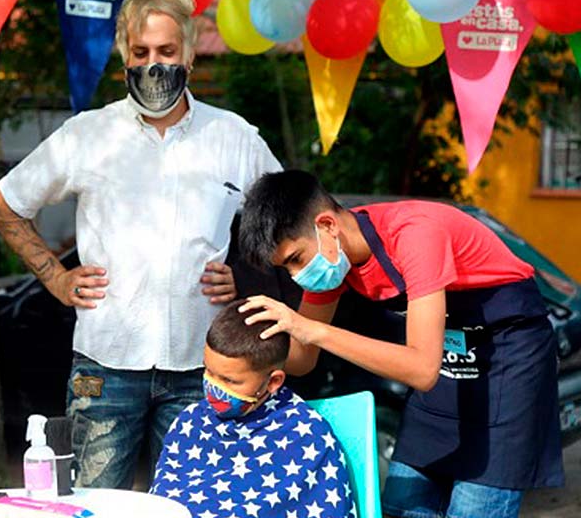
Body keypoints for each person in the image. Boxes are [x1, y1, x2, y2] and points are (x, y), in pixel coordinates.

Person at [0, 0, 282, 488]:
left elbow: (284, 222)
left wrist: (246, 278)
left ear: (189, 55)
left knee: (190, 504)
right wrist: (56, 279)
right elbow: (6, 204)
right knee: (95, 506)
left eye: (166, 50)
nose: (154, 64)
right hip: (106, 366)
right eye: (141, 51)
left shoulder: (234, 137)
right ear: (125, 56)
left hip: (203, 366)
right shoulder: (88, 134)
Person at [237, 170, 563, 518]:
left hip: (506, 359)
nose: (296, 275)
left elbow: (421, 370)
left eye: (296, 259)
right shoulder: (334, 260)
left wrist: (313, 330)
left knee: (473, 507)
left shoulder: (415, 234)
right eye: (285, 268)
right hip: (446, 357)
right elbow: (302, 359)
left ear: (328, 225)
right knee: (403, 505)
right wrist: (240, 360)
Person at [149, 301, 355, 518]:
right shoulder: (191, 422)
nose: (213, 388)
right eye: (208, 371)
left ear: (274, 381)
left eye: (229, 380)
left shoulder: (306, 434)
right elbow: (163, 503)